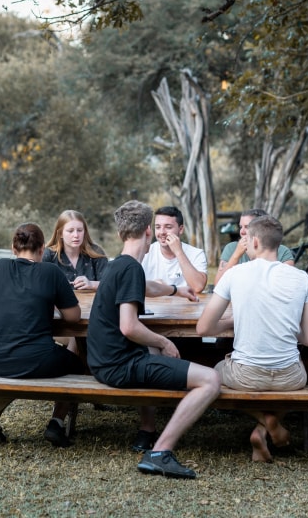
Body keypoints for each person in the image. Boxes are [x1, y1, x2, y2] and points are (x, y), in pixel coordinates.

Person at [87, 200, 221, 480]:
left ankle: (152, 430)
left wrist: (176, 289)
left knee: (167, 360)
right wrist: (163, 341)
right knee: (210, 379)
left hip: (103, 362)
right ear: (148, 230)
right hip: (120, 366)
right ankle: (160, 452)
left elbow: (148, 286)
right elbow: (129, 326)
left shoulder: (118, 265)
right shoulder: (130, 268)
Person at [196, 216, 308, 463]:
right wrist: (282, 328)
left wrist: (232, 323)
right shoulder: (302, 278)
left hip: (246, 375)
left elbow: (204, 328)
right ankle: (265, 428)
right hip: (290, 377)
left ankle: (265, 422)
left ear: (253, 241)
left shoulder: (236, 274)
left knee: (214, 373)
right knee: (296, 380)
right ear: (278, 243)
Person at [0, 222, 83, 448]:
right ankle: (56, 422)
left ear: (13, 249)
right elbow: (74, 318)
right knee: (76, 350)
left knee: (18, 358)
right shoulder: (51, 272)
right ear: (42, 249)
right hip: (34, 360)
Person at [213, 208, 296, 285]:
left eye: (247, 227)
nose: (241, 232)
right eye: (240, 227)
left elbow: (287, 285)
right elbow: (218, 284)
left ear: (262, 228)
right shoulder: (231, 248)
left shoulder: (283, 252)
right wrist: (236, 255)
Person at [141, 205, 206, 300]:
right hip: (154, 311)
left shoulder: (196, 253)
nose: (162, 232)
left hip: (187, 311)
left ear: (180, 229)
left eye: (168, 227)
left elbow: (198, 287)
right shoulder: (145, 253)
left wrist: (178, 252)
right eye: (158, 227)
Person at [42, 209, 108, 291]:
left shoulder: (96, 252)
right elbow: (36, 285)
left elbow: (111, 285)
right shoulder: (48, 255)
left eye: (80, 230)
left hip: (92, 303)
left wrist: (92, 284)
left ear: (85, 232)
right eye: (70, 231)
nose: (76, 235)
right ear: (60, 234)